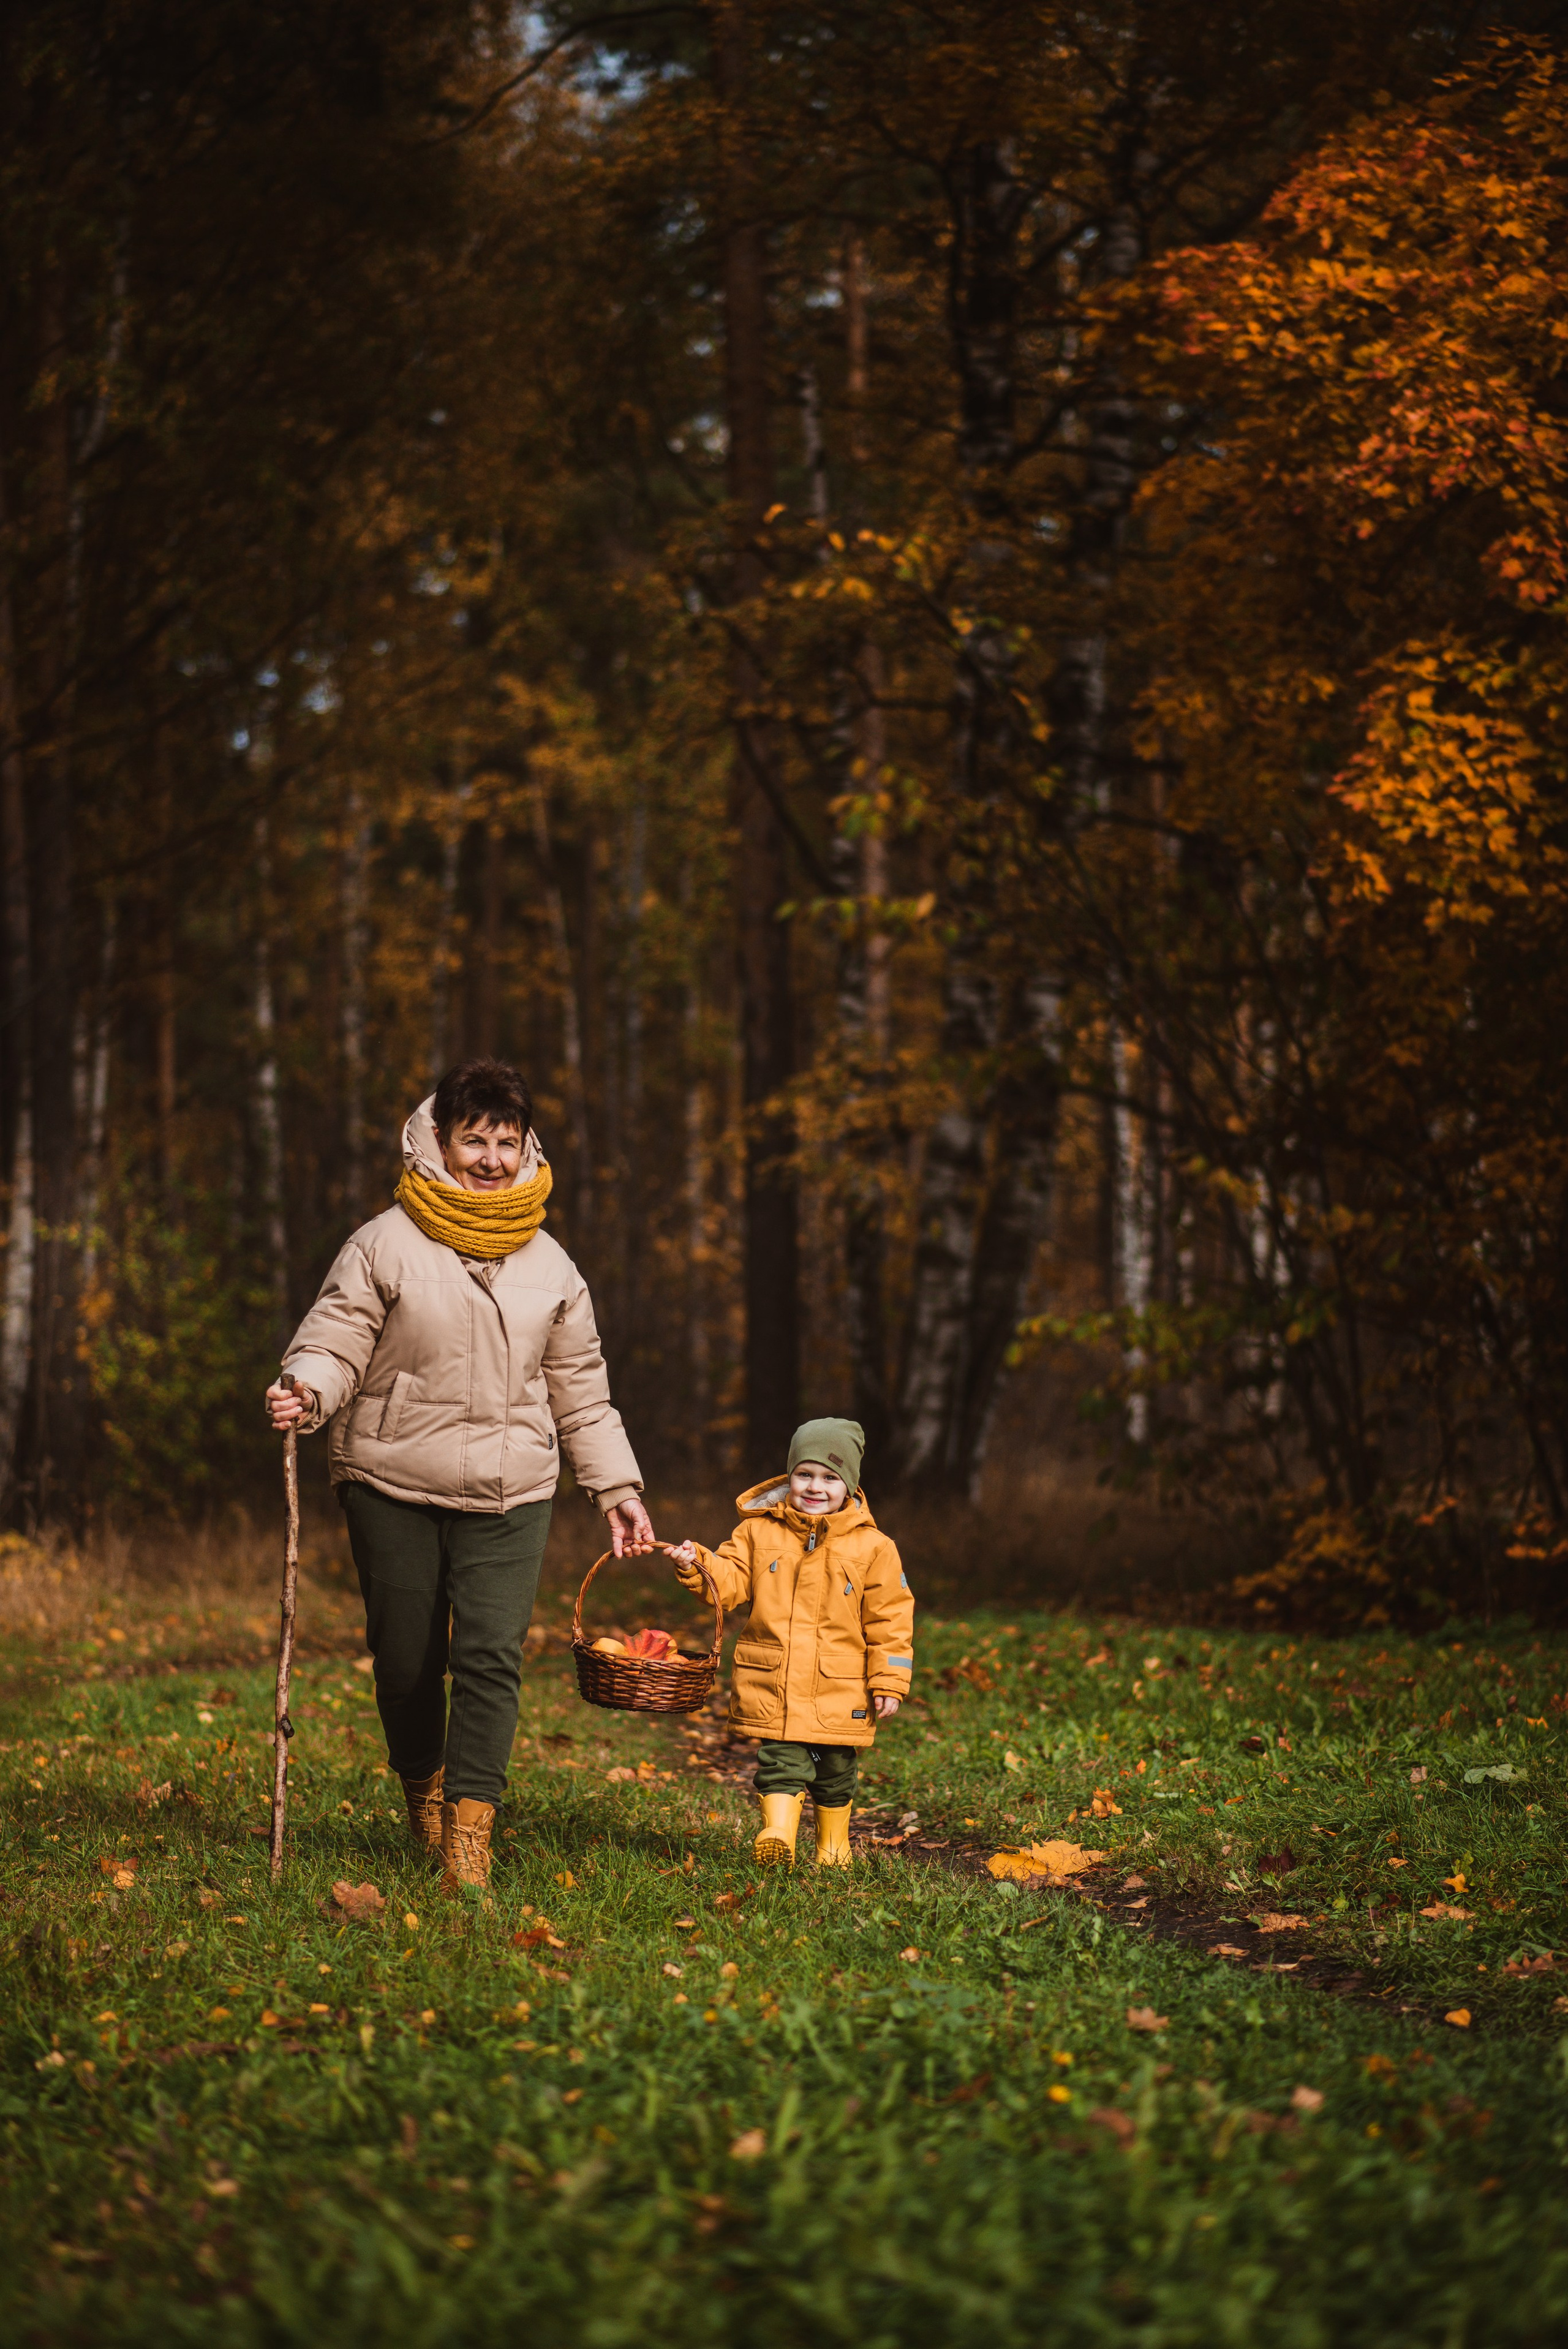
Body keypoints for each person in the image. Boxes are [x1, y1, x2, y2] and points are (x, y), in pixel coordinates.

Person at [264, 1058, 652, 1895]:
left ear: (526, 1149)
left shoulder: (552, 1264)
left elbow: (582, 1390)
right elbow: (335, 1340)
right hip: (390, 1479)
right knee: (404, 1662)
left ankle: (469, 1833)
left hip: (513, 1493)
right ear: (436, 1143)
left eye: (505, 1142)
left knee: (490, 1658)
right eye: (472, 1138)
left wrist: (617, 1489)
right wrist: (307, 1388)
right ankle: (425, 1784)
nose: (489, 1158)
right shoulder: (383, 1243)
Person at [668, 1417, 913, 1871]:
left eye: (829, 1477)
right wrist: (697, 1563)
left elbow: (891, 1617)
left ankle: (833, 1844)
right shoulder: (758, 1533)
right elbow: (731, 1583)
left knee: (835, 1768)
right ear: (788, 1476)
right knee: (780, 1760)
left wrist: (890, 1679)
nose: (815, 1486)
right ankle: (777, 1832)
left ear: (850, 1485)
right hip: (775, 1678)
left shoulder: (874, 1547)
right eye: (804, 1473)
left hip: (841, 1685)